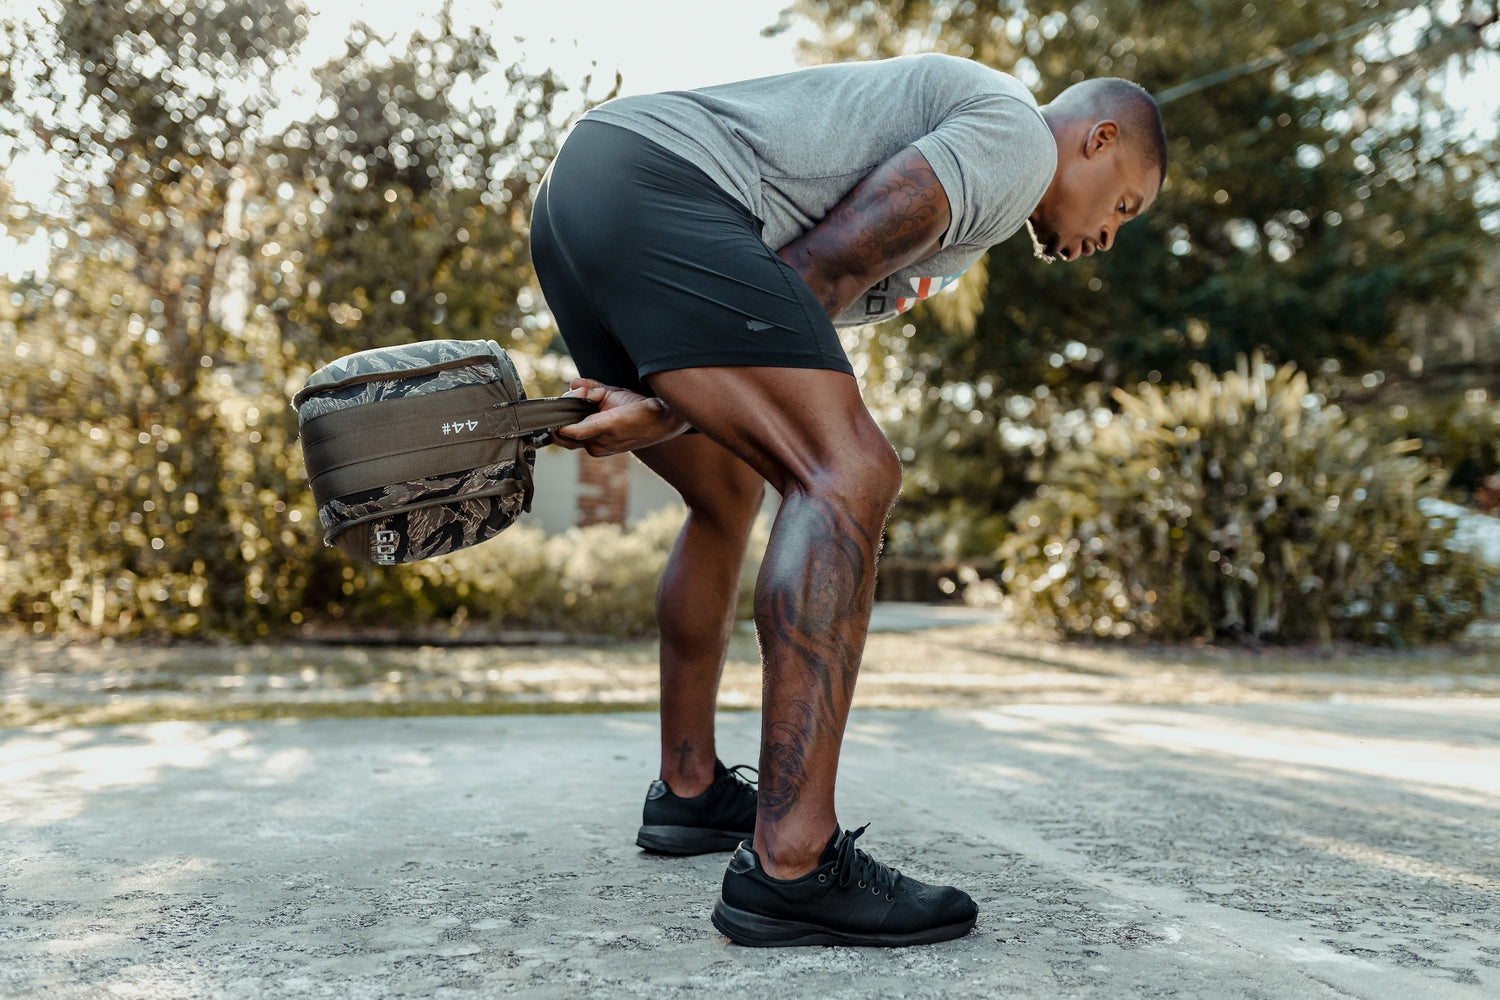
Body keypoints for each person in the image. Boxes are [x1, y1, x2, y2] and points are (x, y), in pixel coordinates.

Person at [529, 52, 1167, 948]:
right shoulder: (1018, 139)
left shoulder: (982, 183)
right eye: (1124, 205)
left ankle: (689, 790)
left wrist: (668, 405)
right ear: (1098, 139)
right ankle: (793, 860)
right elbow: (821, 268)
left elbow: (780, 298)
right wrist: (671, 400)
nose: (1108, 235)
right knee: (849, 473)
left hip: (586, 194)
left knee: (727, 491)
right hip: (661, 185)